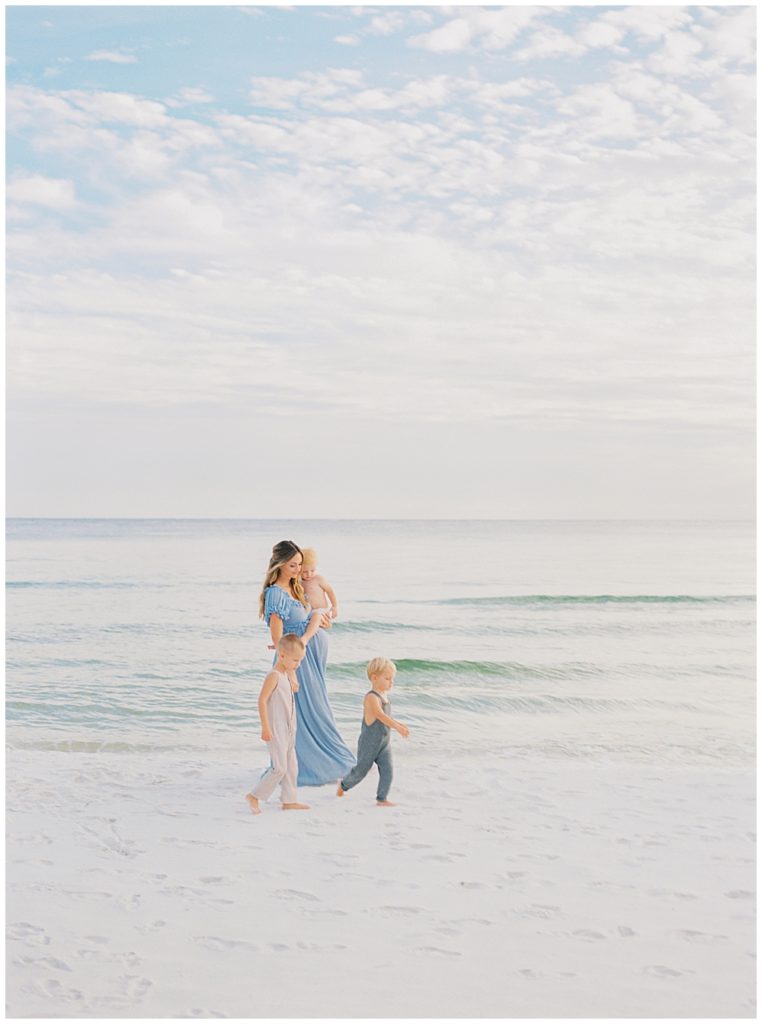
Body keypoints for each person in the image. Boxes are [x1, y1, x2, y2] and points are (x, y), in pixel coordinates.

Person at [259, 540, 355, 786]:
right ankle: (306, 766)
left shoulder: (295, 587)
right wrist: (289, 671)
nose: (298, 570)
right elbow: (277, 636)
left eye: (300, 565)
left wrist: (321, 620)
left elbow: (316, 615)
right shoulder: (276, 594)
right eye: (293, 565)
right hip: (295, 661)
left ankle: (327, 759)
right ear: (280, 565)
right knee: (300, 713)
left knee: (317, 708)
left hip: (309, 656)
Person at [246, 633, 310, 814]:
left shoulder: (286, 675)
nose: (298, 664)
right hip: (276, 729)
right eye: (295, 660)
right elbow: (262, 700)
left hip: (290, 727)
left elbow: (296, 688)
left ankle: (289, 801)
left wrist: (292, 670)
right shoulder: (273, 676)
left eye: (300, 660)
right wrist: (265, 726)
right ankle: (254, 795)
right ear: (281, 656)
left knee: (291, 766)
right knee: (280, 768)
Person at [337, 657, 409, 807]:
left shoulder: (385, 696)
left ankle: (381, 798)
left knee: (388, 770)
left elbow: (387, 717)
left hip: (384, 743)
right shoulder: (371, 697)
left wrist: (398, 724)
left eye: (392, 679)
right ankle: (343, 785)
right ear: (374, 678)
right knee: (361, 771)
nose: (391, 682)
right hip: (369, 743)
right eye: (387, 678)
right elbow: (381, 715)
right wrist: (398, 726)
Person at [300, 548, 339, 623]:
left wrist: (334, 607)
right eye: (304, 572)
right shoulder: (299, 582)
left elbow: (330, 591)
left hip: (321, 611)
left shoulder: (318, 579)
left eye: (312, 570)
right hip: (308, 613)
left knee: (318, 621)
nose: (309, 574)